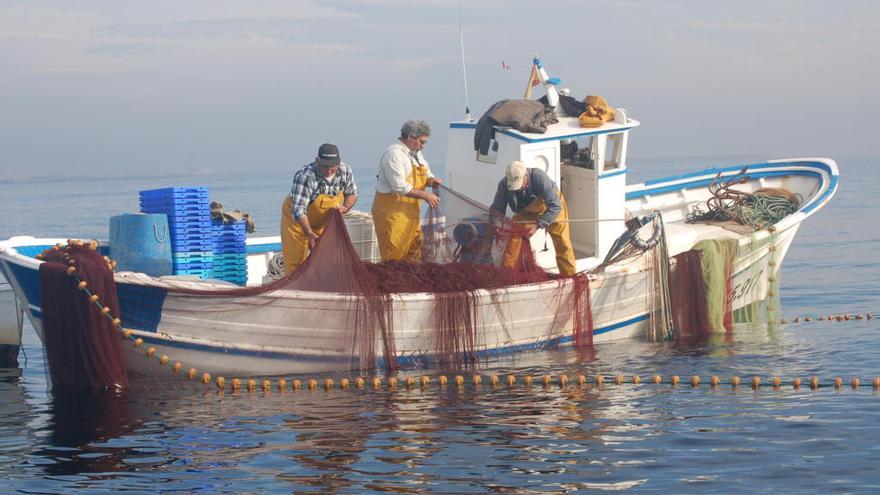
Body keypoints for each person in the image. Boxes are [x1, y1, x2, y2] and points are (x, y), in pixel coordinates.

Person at [371, 120, 442, 262]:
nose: (423, 146)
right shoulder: (394, 154)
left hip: (411, 214)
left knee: (414, 252)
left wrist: (432, 181)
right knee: (394, 256)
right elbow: (399, 186)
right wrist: (426, 196)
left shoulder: (416, 154)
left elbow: (426, 174)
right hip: (392, 214)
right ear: (410, 137)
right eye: (422, 142)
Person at [280, 143, 357, 274]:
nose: (329, 170)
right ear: (317, 161)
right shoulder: (305, 177)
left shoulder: (345, 171)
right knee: (296, 262)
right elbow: (298, 210)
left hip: (323, 223)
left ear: (338, 163)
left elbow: (352, 193)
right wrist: (309, 233)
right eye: (325, 166)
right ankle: (296, 289)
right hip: (297, 223)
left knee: (328, 260)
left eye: (333, 167)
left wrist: (345, 207)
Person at [490, 160, 576, 276]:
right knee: (514, 237)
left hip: (551, 208)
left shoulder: (539, 177)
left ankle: (569, 275)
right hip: (527, 212)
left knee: (562, 243)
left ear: (526, 176)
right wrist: (498, 230)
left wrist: (538, 225)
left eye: (519, 184)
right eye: (514, 187)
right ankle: (507, 274)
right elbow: (497, 211)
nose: (517, 189)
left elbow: (555, 206)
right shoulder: (503, 185)